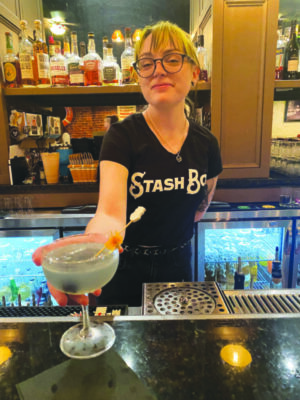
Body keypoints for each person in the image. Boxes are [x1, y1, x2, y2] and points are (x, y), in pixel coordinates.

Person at [33, 21, 222, 307]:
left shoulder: (207, 143)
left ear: (195, 72)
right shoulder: (121, 137)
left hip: (178, 271)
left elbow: (200, 208)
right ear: (139, 76)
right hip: (123, 271)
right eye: (147, 63)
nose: (158, 69)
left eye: (171, 59)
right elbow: (109, 213)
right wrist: (94, 241)